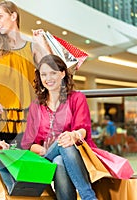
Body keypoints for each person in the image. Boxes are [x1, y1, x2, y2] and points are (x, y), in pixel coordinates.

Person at [21, 54, 97, 200]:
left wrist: (73, 136)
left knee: (60, 158)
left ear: (62, 74)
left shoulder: (77, 98)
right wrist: (47, 150)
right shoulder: (36, 106)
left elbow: (83, 129)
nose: (48, 78)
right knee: (60, 148)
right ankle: (88, 197)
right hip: (45, 157)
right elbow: (28, 144)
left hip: (78, 157)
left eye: (53, 73)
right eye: (44, 74)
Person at [0, 0, 50, 144]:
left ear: (13, 16)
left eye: (0, 16)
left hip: (29, 115)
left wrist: (43, 43)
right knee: (3, 161)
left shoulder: (32, 47)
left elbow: (52, 68)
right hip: (0, 115)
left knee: (29, 161)